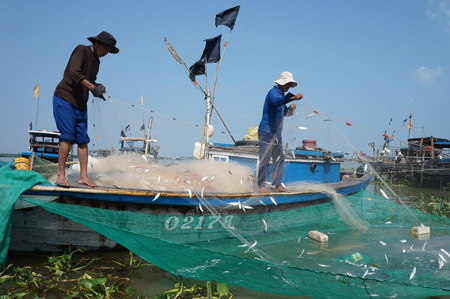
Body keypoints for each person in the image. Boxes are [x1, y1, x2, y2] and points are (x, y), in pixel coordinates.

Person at [53, 31, 119, 187]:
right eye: (105, 50)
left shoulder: (97, 62)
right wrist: (91, 87)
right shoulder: (81, 50)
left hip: (81, 103)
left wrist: (97, 87)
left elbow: (90, 80)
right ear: (97, 44)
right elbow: (75, 73)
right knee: (68, 136)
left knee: (83, 140)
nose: (105, 54)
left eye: (108, 52)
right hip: (65, 98)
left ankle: (83, 176)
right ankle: (60, 174)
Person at [257, 71, 303, 193]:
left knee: (279, 159)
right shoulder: (273, 93)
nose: (288, 86)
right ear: (281, 83)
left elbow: (283, 112)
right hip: (266, 132)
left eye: (290, 84)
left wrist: (291, 109)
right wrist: (292, 97)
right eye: (287, 83)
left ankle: (278, 185)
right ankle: (261, 185)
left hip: (276, 134)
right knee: (265, 159)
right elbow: (277, 101)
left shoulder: (282, 96)